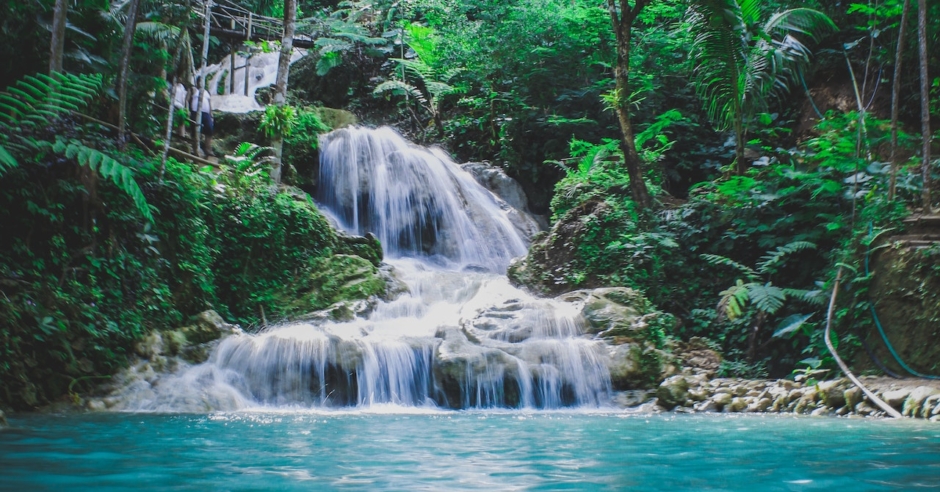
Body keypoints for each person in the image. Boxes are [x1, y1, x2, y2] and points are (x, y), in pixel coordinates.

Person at [191, 83, 215, 157]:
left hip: (206, 113)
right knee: (196, 129)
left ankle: (207, 148)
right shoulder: (194, 90)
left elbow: (209, 103)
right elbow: (188, 99)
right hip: (195, 111)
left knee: (209, 129)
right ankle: (195, 147)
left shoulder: (207, 92)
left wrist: (211, 115)